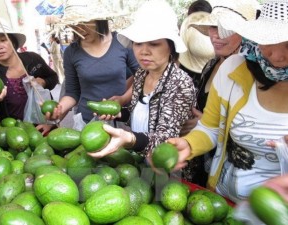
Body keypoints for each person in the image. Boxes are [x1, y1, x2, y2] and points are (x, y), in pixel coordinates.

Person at [168, 0, 288, 203]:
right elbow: (211, 128)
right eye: (268, 41)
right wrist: (189, 145)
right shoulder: (232, 70)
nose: (276, 55)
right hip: (223, 201)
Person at [85, 0, 196, 159]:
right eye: (138, 43)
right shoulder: (141, 75)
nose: (144, 51)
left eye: (154, 44)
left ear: (170, 46)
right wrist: (119, 114)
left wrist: (130, 139)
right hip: (140, 161)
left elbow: (166, 141)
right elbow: (140, 116)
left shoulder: (180, 84)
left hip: (168, 168)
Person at [179, 0, 259, 187]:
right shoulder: (211, 66)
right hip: (205, 162)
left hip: (240, 174)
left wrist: (208, 124)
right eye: (213, 27)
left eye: (225, 29)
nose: (216, 35)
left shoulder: (257, 75)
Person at [48, 0, 139, 125]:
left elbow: (142, 75)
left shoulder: (122, 42)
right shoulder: (71, 52)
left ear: (99, 19)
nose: (79, 28)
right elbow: (72, 92)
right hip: (87, 121)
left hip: (121, 118)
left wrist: (123, 99)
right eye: (74, 23)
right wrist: (59, 109)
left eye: (85, 21)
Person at [0, 16, 58, 133]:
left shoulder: (32, 59)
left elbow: (53, 78)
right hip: (16, 135)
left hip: (46, 125)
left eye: (3, 40)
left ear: (12, 41)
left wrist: (43, 82)